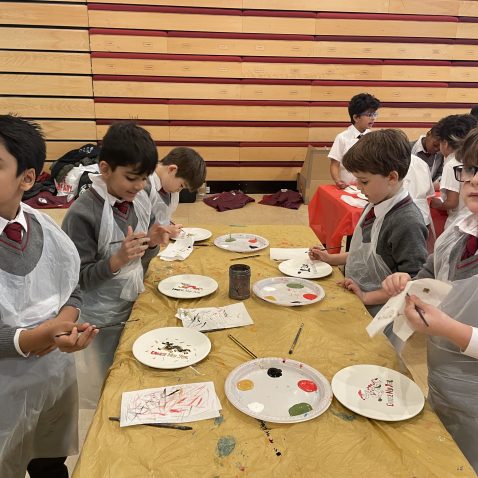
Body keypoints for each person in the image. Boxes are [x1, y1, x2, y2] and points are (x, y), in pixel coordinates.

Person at [0, 115, 97, 478]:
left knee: (49, 462)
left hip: (52, 380)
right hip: (3, 391)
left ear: (27, 178)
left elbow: (72, 286)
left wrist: (64, 324)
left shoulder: (44, 228)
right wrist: (31, 339)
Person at [382, 127, 478, 473]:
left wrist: (449, 328)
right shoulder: (461, 227)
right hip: (443, 379)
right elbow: (430, 271)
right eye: (470, 169)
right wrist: (409, 283)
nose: (473, 182)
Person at [62, 121, 170, 407]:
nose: (140, 186)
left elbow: (139, 261)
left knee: (134, 372)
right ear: (106, 169)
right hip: (99, 319)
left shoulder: (136, 200)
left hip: (131, 304)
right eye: (132, 177)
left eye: (145, 178)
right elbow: (77, 280)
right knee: (108, 383)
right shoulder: (82, 214)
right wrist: (117, 260)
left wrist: (152, 243)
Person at [310, 129, 428, 316]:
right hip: (357, 295)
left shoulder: (407, 222)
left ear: (392, 177)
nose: (358, 186)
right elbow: (367, 253)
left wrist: (366, 297)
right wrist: (331, 259)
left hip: (381, 311)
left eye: (364, 181)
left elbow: (413, 283)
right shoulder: (376, 201)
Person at [430, 114, 478, 229]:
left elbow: (452, 202)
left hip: (457, 223)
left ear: (445, 143)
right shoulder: (469, 160)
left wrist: (434, 203)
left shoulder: (451, 164)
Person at [148, 146, 206, 236]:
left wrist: (168, 224)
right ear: (172, 169)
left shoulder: (169, 187)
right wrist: (165, 232)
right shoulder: (144, 186)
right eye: (181, 185)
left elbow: (161, 216)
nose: (179, 190)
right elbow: (138, 230)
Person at [329, 93, 380, 189]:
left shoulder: (373, 137)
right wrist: (338, 180)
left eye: (375, 114)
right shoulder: (342, 138)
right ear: (356, 117)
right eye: (369, 114)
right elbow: (334, 164)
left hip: (368, 188)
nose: (373, 118)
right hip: (347, 187)